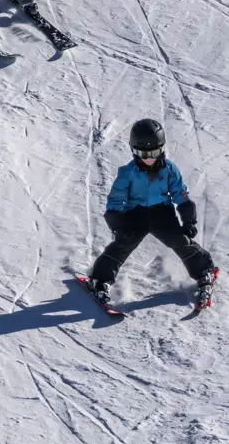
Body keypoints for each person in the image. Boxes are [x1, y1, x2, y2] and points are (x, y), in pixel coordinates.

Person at [87, 119, 217, 305]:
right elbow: (116, 199)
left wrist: (189, 221)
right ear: (133, 150)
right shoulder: (127, 172)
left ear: (162, 148)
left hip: (162, 213)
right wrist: (118, 223)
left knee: (179, 240)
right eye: (143, 153)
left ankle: (205, 270)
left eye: (154, 152)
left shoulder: (169, 169)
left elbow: (181, 195)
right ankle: (98, 280)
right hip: (135, 214)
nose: (149, 158)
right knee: (123, 244)